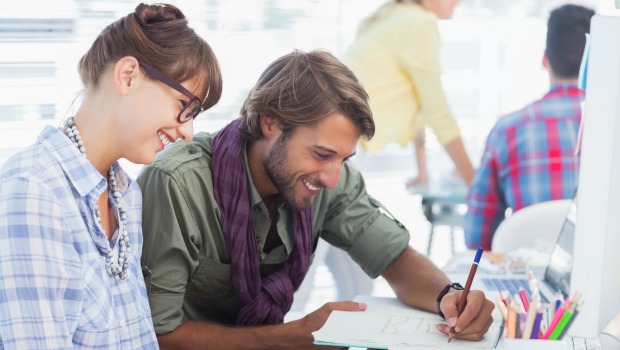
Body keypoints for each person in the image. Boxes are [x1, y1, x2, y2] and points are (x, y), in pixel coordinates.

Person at [137, 49, 494, 349]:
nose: (332, 177)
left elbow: (394, 257)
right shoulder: (177, 185)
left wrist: (448, 296)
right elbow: (158, 334)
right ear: (269, 123)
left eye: (344, 159)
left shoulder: (330, 179)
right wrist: (290, 336)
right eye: (321, 154)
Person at [0, 3, 222, 348]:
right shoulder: (34, 194)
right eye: (184, 107)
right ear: (128, 75)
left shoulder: (126, 195)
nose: (188, 132)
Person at [464, 4, 594, 250]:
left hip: (526, 280)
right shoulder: (611, 124)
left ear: (545, 59)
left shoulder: (508, 130)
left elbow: (477, 236)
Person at [343, 0, 474, 187]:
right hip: (344, 141)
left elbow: (419, 104)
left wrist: (423, 173)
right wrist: (476, 184)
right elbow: (438, 113)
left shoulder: (397, 13)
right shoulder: (418, 23)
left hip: (338, 135)